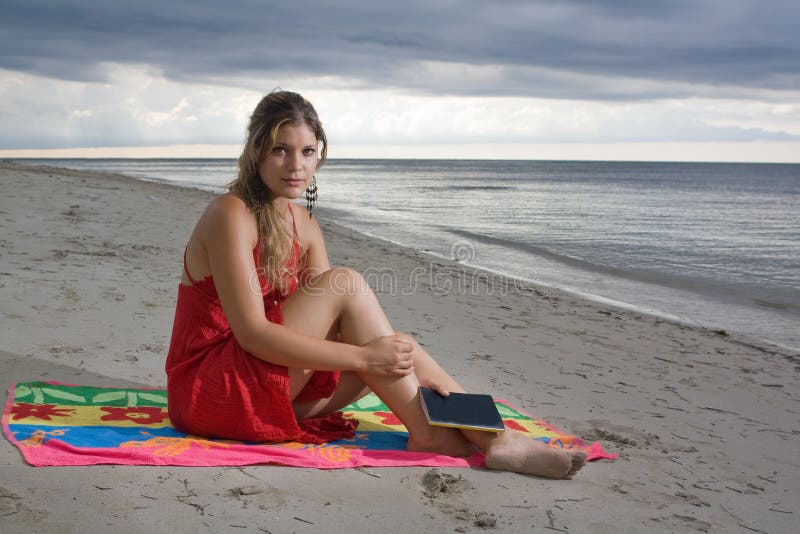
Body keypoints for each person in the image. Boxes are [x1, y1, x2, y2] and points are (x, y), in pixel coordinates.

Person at [165, 90, 586, 479]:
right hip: (208, 392)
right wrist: (366, 359)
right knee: (354, 302)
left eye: (308, 151)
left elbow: (336, 325)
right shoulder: (230, 213)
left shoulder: (304, 224)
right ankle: (460, 435)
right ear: (255, 150)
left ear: (319, 157)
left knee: (394, 348)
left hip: (270, 390)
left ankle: (487, 436)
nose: (297, 166)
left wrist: (417, 373)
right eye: (281, 150)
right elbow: (253, 334)